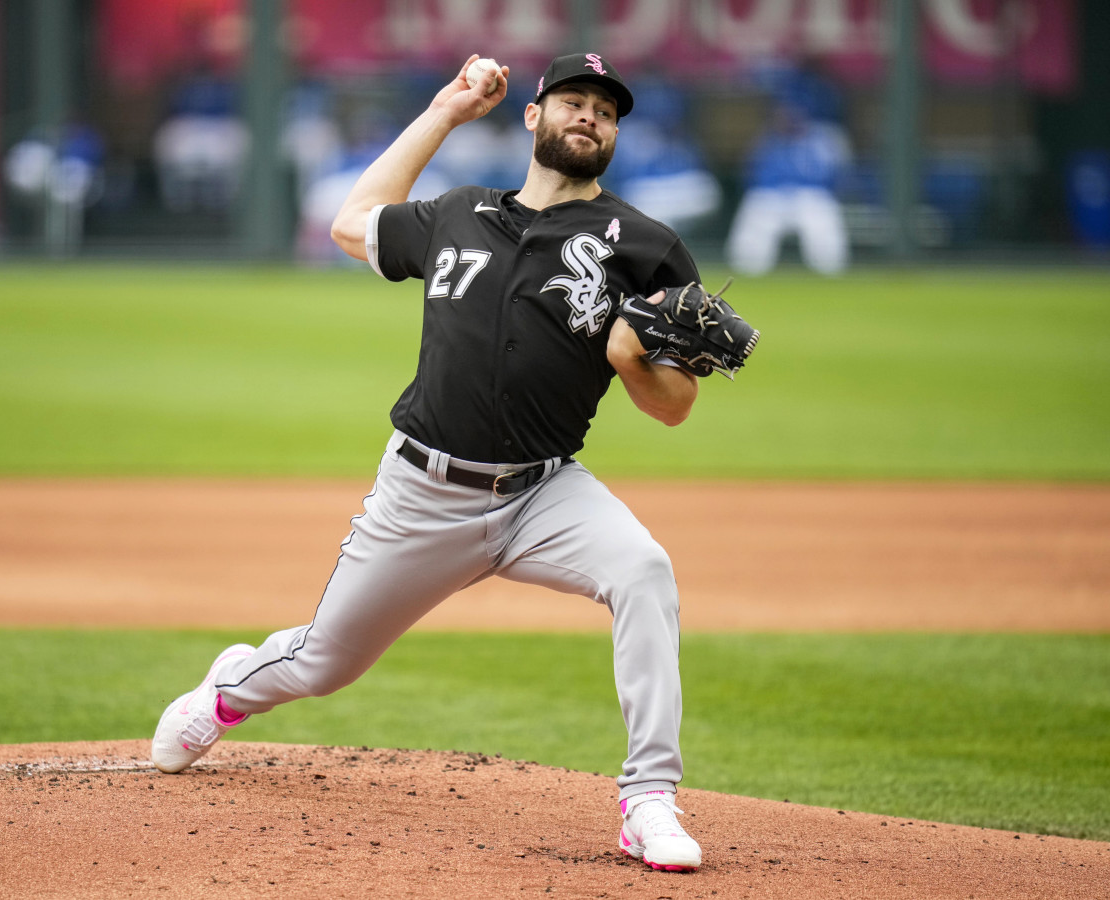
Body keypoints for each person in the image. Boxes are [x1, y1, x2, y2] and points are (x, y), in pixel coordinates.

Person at [152, 52, 710, 873]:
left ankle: (648, 801)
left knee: (645, 569)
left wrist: (632, 359)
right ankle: (229, 692)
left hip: (544, 493)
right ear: (533, 116)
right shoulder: (458, 212)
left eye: (607, 109)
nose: (590, 116)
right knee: (323, 664)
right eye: (573, 101)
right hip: (422, 493)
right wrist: (446, 111)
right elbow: (353, 222)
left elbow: (675, 404)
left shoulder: (649, 249)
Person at [725, 98, 852, 276]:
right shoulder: (766, 142)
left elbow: (833, 177)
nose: (787, 120)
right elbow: (751, 175)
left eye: (792, 117)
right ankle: (746, 272)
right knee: (755, 220)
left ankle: (831, 272)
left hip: (808, 196)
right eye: (783, 116)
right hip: (771, 197)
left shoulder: (820, 141)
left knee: (821, 222)